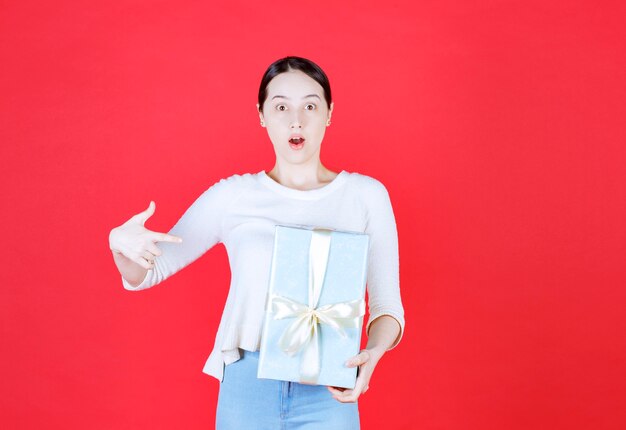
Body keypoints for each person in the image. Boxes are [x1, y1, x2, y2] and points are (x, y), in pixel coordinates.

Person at [109, 56, 405, 429]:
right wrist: (118, 243)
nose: (296, 120)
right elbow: (148, 271)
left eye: (310, 106)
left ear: (329, 112)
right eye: (281, 107)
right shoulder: (233, 196)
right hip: (247, 385)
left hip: (328, 389)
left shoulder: (366, 196)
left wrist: (374, 352)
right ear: (262, 115)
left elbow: (386, 305)